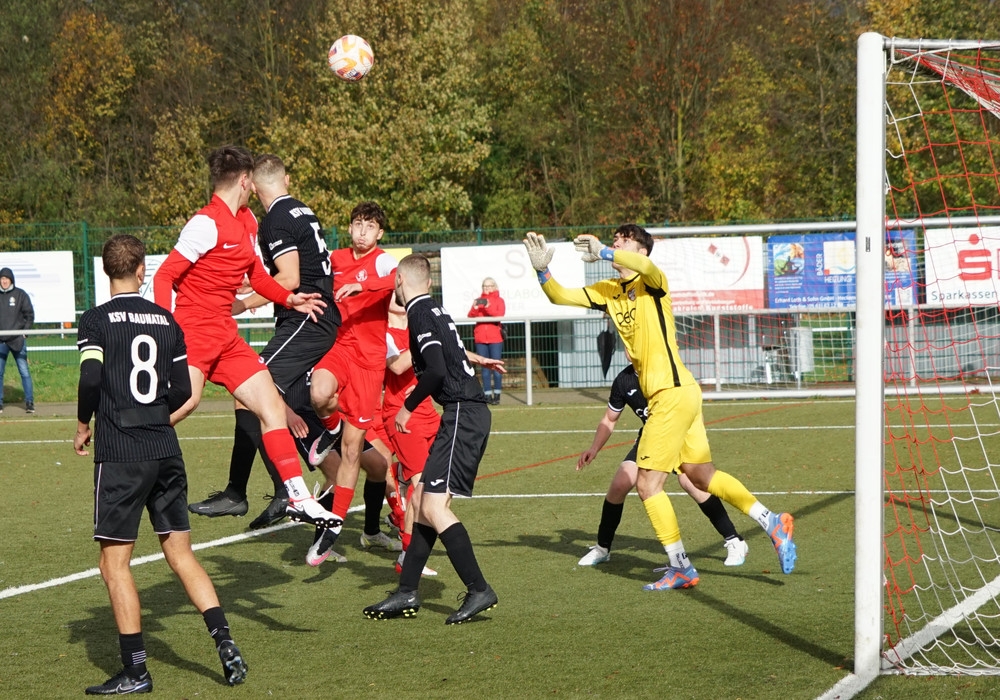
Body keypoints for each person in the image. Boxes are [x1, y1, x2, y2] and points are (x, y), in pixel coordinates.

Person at [523, 225, 797, 590]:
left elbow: (645, 267)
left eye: (624, 239)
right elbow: (559, 296)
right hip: (680, 394)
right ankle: (770, 520)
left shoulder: (652, 281)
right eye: (615, 238)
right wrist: (542, 270)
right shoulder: (609, 291)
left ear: (640, 250)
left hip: (670, 394)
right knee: (700, 476)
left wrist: (604, 251)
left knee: (648, 484)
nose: (616, 242)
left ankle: (681, 566)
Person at [74, 235, 247, 694]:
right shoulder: (167, 321)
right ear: (142, 271)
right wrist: (154, 417)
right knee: (181, 554)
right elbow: (182, 391)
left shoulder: (96, 320)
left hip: (122, 453)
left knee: (114, 564)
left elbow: (90, 378)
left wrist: (83, 424)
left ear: (106, 271)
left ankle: (136, 671)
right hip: (166, 449)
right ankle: (225, 642)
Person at [152, 145, 339, 530]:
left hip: (225, 333)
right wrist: (165, 328)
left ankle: (298, 497)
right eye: (251, 180)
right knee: (187, 402)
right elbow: (164, 276)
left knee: (270, 406)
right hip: (195, 330)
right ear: (243, 180)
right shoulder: (205, 223)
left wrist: (289, 298)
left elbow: (258, 276)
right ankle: (131, 443)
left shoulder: (248, 220)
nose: (255, 187)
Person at [364, 254, 502, 624]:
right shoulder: (434, 309)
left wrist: (407, 407)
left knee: (435, 507)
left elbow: (437, 370)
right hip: (462, 413)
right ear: (427, 282)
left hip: (462, 415)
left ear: (398, 281)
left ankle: (479, 589)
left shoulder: (420, 314)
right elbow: (446, 360)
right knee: (423, 499)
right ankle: (407, 591)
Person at [576, 363, 748, 567]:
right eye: (627, 347)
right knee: (620, 484)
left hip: (680, 436)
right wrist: (594, 448)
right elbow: (609, 419)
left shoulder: (667, 370)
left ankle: (734, 540)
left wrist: (698, 437)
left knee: (691, 484)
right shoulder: (623, 380)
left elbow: (692, 404)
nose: (630, 350)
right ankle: (602, 548)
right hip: (652, 439)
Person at [305, 201, 399, 563]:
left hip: (370, 366)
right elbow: (304, 275)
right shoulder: (335, 258)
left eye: (370, 226)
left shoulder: (382, 261)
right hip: (341, 348)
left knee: (352, 453)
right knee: (319, 393)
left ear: (379, 233)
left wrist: (364, 287)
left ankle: (332, 530)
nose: (362, 231)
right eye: (358, 224)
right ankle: (330, 428)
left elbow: (399, 279)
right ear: (349, 227)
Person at [0, 267, 35, 414]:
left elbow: (29, 315)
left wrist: (24, 332)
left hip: (17, 341)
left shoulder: (20, 295)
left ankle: (29, 402)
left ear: (11, 280)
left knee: (24, 372)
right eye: (2, 278)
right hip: (1, 342)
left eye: (6, 278)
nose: (4, 281)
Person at [467, 277, 505, 404]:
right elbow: (471, 315)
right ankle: (487, 394)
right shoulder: (479, 300)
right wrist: (475, 307)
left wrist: (488, 306)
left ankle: (497, 395)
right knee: (484, 368)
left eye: (489, 286)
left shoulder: (499, 300)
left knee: (497, 366)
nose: (487, 288)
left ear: (494, 287)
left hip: (495, 338)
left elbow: (499, 315)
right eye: (485, 286)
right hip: (481, 338)